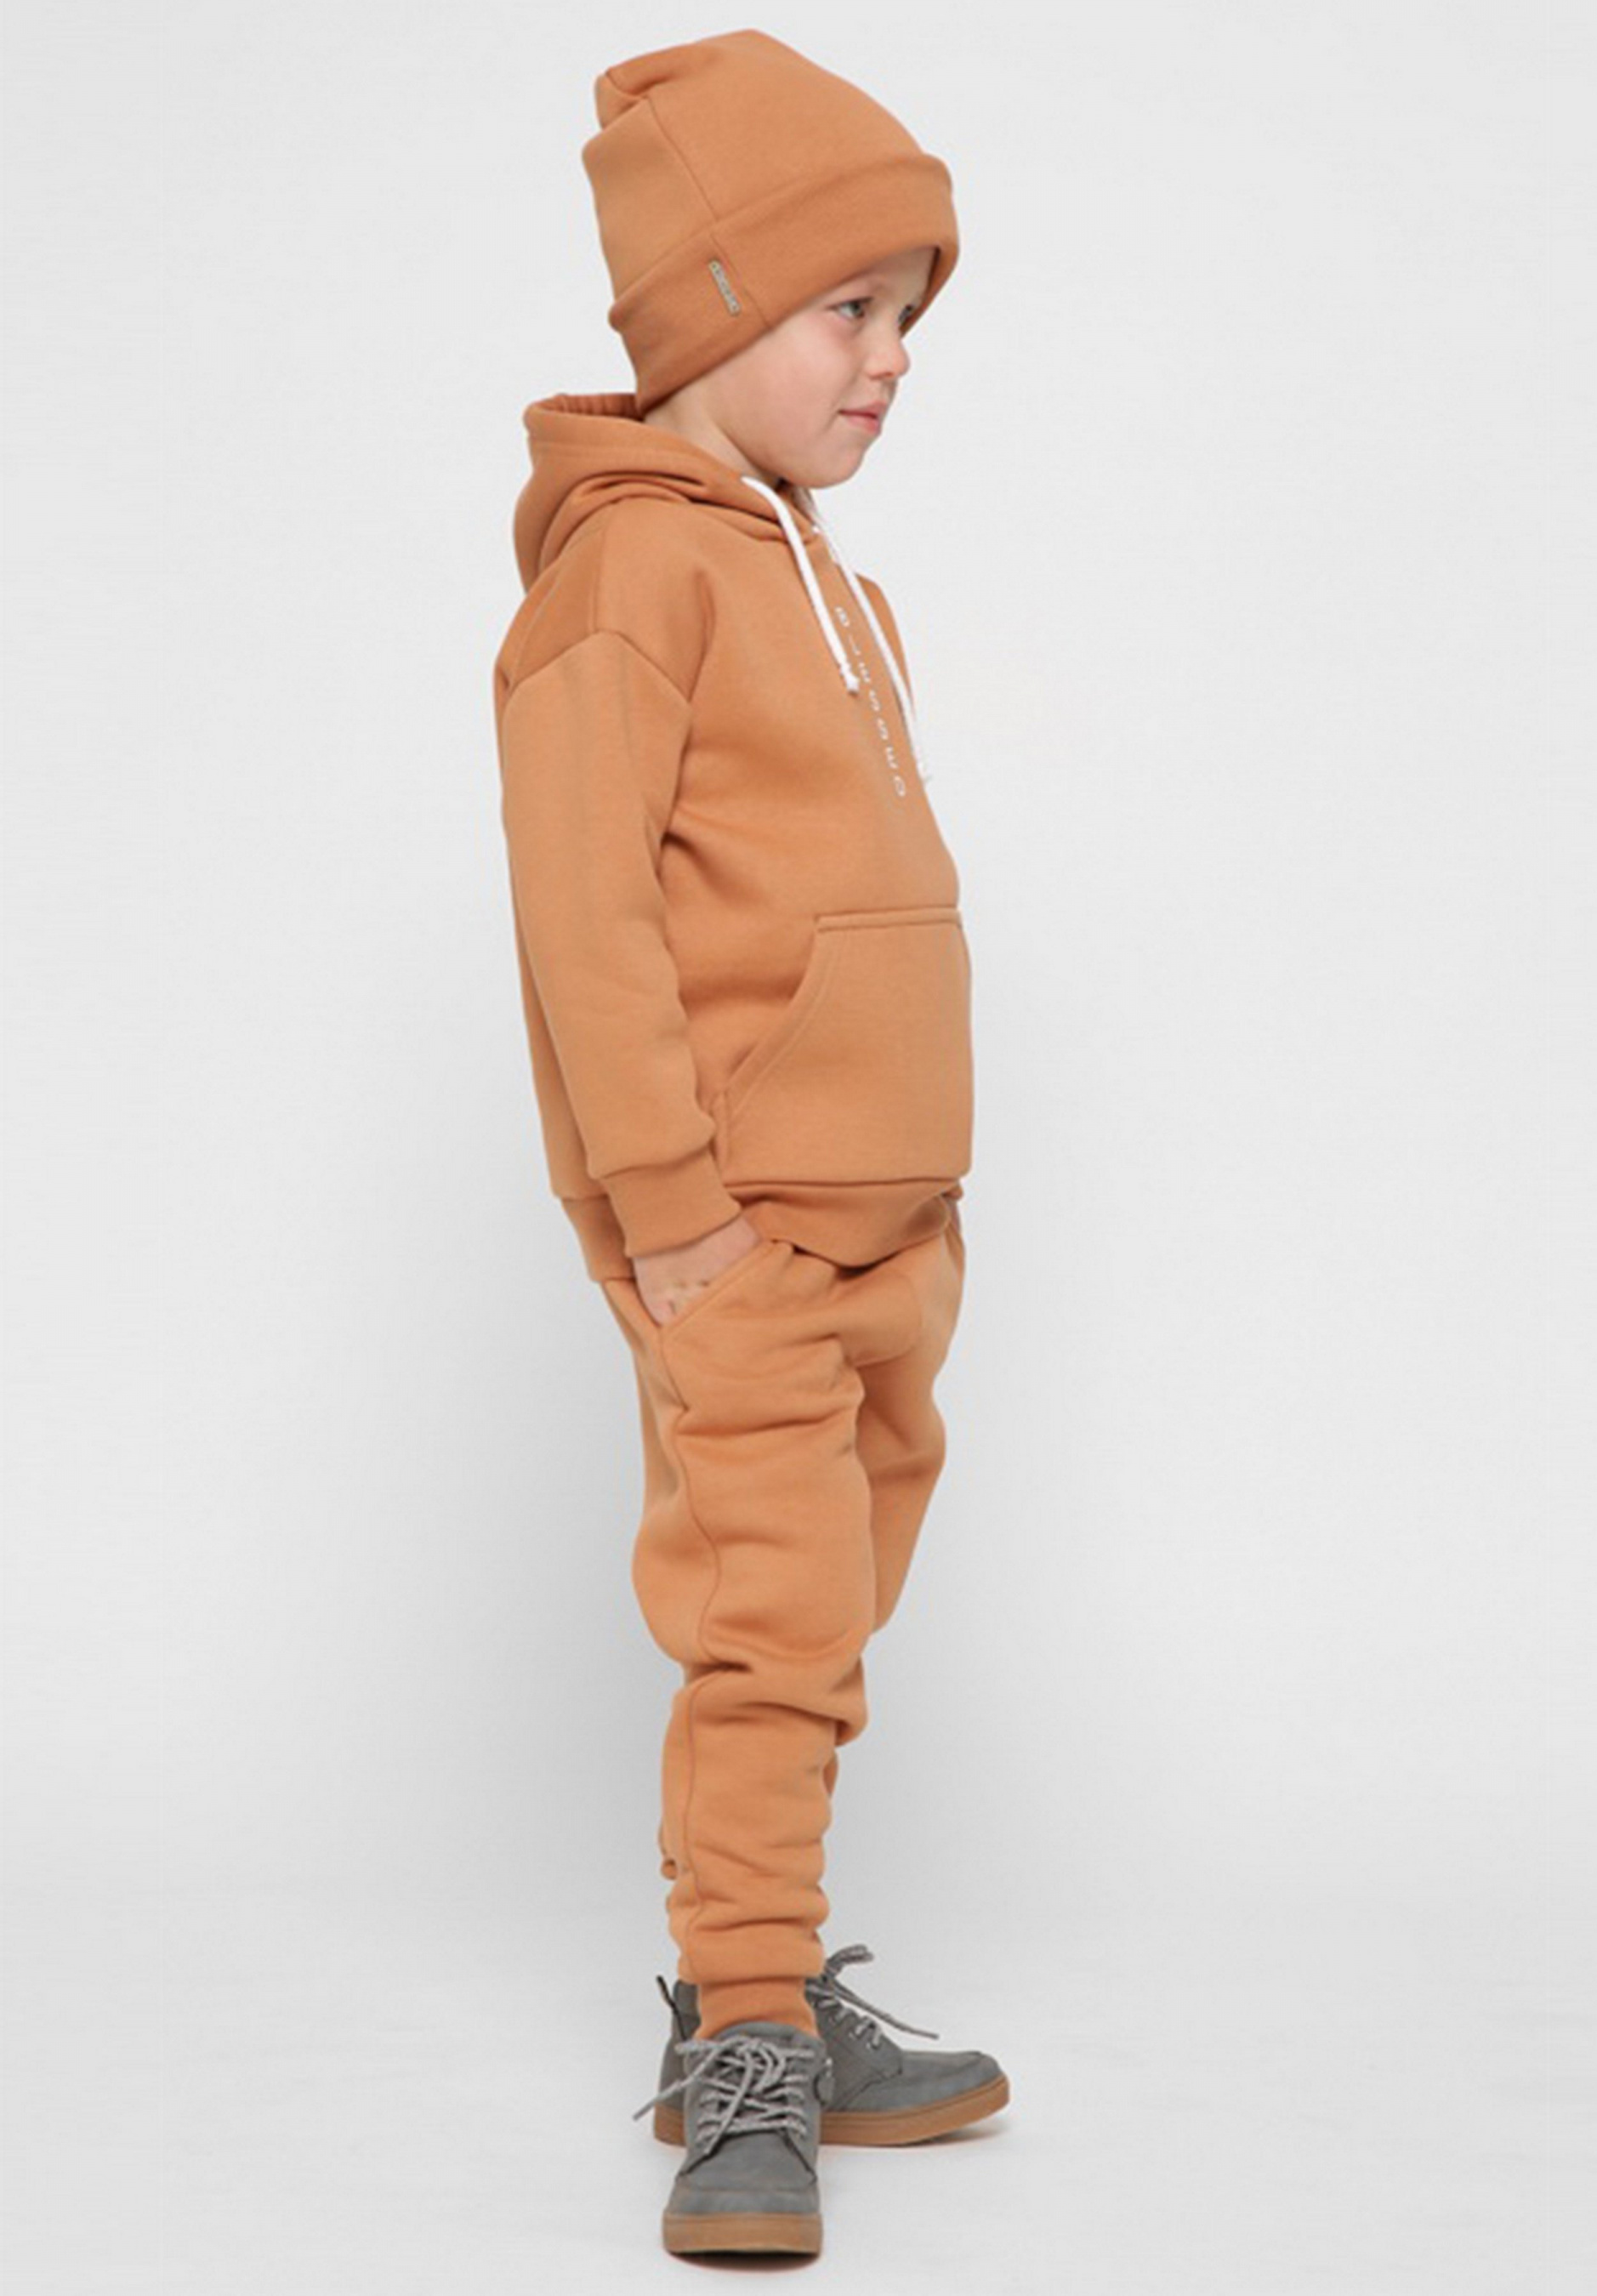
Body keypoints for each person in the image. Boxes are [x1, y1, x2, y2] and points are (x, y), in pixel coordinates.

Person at [491, 30, 1009, 2258]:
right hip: (748, 1234)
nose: (891, 357)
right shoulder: (633, 576)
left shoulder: (815, 568)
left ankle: (753, 1976)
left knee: (828, 1619)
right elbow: (584, 919)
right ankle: (749, 2057)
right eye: (846, 307)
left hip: (890, 1221)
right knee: (769, 1634)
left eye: (911, 314)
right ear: (706, 308)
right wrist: (674, 1212)